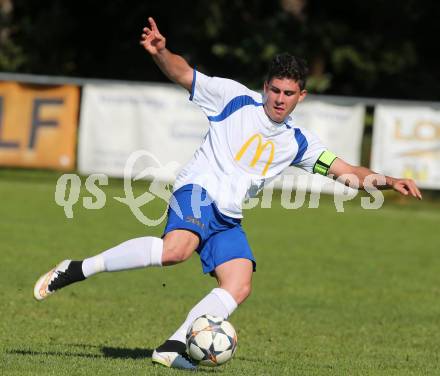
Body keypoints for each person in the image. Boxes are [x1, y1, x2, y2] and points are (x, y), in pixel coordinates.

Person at [33, 17, 422, 370]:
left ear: (301, 96)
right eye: (274, 90)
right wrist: (161, 52)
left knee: (239, 283)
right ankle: (77, 268)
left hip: (228, 214)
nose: (279, 99)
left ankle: (172, 346)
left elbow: (348, 173)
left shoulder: (299, 142)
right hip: (198, 189)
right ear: (264, 86)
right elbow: (184, 74)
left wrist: (388, 180)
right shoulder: (234, 98)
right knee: (175, 251)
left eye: (288, 93)